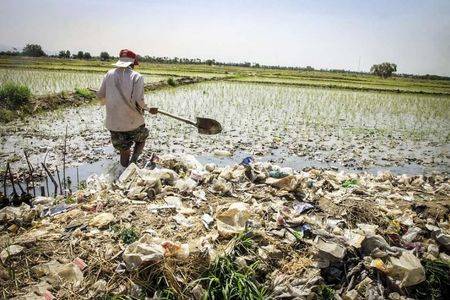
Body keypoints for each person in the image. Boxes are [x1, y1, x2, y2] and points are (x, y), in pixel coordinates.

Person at [96, 49, 158, 167]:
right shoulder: (137, 77)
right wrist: (149, 109)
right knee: (141, 138)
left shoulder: (109, 74)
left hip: (114, 124)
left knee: (124, 150)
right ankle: (133, 161)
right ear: (132, 63)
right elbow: (139, 100)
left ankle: (124, 170)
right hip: (133, 122)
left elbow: (100, 96)